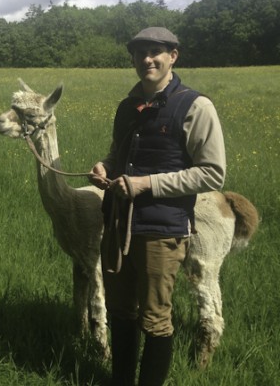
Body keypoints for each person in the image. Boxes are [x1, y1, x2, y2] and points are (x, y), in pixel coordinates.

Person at [89, 27, 226, 386]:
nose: (147, 59)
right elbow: (119, 155)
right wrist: (105, 167)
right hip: (119, 225)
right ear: (132, 59)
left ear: (172, 56)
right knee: (120, 312)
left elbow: (212, 173)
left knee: (154, 319)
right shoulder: (126, 107)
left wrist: (147, 184)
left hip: (161, 230)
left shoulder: (195, 106)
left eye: (156, 52)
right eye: (140, 53)